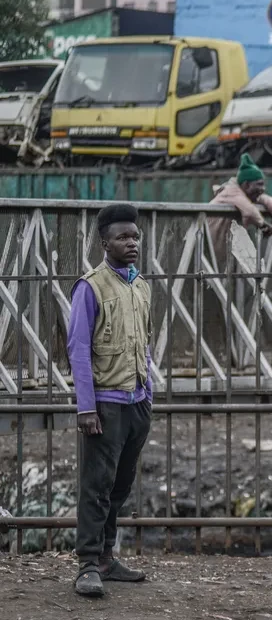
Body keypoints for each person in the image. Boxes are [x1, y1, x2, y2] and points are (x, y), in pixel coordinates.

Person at [66, 204, 153, 598]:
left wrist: (148, 392)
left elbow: (144, 345)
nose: (132, 243)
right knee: (96, 486)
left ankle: (106, 558)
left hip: (137, 401)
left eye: (135, 236)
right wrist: (86, 407)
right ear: (105, 243)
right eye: (123, 237)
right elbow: (78, 348)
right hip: (105, 403)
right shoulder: (91, 286)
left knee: (120, 486)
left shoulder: (141, 285)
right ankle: (86, 564)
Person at [208, 153, 272, 243]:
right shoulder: (230, 192)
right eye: (259, 184)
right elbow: (249, 210)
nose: (263, 189)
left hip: (224, 248)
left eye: (263, 185)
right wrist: (264, 226)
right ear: (246, 184)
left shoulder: (252, 196)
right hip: (206, 245)